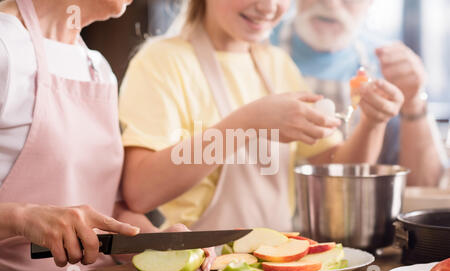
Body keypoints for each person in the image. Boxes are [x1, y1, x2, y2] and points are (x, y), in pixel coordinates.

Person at [119, 0, 404, 232]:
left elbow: (336, 173)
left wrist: (373, 122)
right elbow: (141, 191)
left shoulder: (277, 64)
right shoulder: (163, 62)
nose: (268, 6)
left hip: (278, 267)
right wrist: (246, 124)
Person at [0, 0, 213, 271]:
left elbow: (105, 207)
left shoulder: (97, 69)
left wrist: (155, 242)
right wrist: (21, 218)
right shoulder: (5, 46)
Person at [271, 0, 448, 186]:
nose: (331, 4)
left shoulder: (390, 65)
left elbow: (424, 184)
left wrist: (413, 102)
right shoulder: (256, 46)